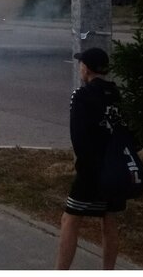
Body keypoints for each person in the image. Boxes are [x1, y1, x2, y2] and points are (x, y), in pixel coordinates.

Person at [55, 47, 125, 270]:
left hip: (91, 171)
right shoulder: (117, 95)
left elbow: (78, 137)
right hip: (116, 167)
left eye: (81, 64)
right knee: (110, 221)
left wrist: (85, 167)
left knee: (70, 220)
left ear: (85, 68)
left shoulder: (82, 96)